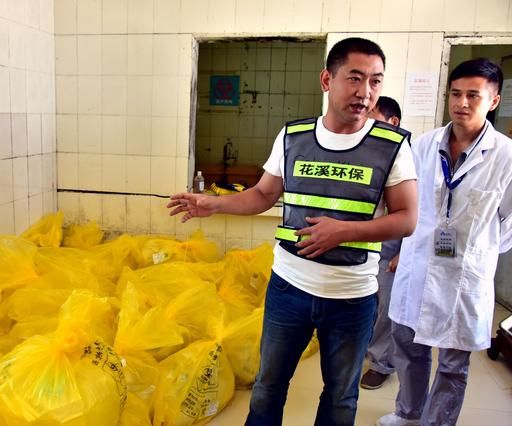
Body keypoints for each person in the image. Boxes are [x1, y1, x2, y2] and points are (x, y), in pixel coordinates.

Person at [168, 37, 418, 426]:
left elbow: (407, 218)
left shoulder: (391, 147)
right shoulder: (293, 137)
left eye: (375, 81)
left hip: (351, 296)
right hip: (289, 288)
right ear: (326, 79)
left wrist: (343, 231)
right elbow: (264, 195)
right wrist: (213, 203)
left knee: (339, 396)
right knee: (268, 387)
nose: (365, 92)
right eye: (355, 78)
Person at [377, 58, 512, 426]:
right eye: (455, 93)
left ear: (494, 101)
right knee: (408, 346)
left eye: (473, 95)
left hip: (466, 276)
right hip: (417, 264)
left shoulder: (506, 156)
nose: (462, 103)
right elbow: (408, 204)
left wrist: (476, 256)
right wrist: (407, 250)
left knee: (453, 363)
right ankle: (408, 413)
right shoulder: (423, 145)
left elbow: (508, 223)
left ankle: (436, 423)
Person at [360, 96, 404, 390]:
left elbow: (420, 213)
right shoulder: (368, 151)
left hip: (394, 244)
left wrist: (405, 252)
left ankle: (381, 364)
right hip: (368, 239)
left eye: (373, 118)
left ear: (393, 122)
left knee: (388, 305)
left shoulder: (407, 154)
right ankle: (368, 349)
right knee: (370, 300)